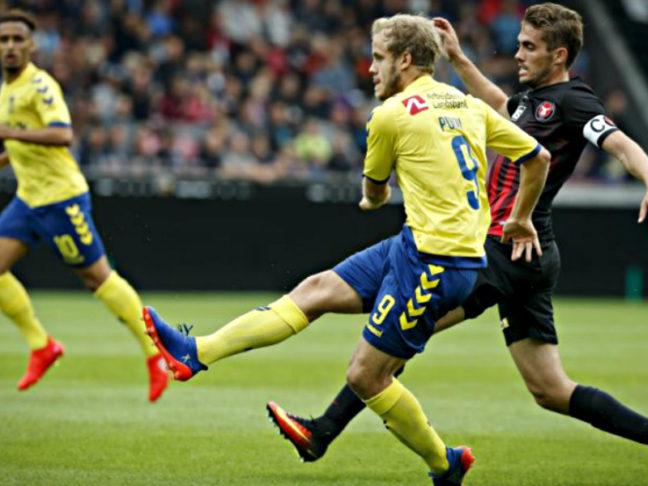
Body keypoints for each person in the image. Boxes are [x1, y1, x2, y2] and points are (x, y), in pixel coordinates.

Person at [266, 4, 648, 486]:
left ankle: (323, 432)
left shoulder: (574, 100)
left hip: (501, 248)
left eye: (529, 47)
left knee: (396, 338)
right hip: (529, 254)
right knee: (550, 390)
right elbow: (499, 104)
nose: (518, 54)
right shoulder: (533, 101)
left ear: (559, 55)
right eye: (519, 44)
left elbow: (618, 142)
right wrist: (458, 58)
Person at [143, 13, 550, 485]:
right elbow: (537, 157)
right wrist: (520, 217)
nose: (371, 69)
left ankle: (445, 463)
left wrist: (372, 196)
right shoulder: (467, 105)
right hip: (417, 246)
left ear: (405, 60)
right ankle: (196, 352)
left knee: (366, 377)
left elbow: (374, 195)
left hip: (436, 265)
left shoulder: (391, 116)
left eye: (378, 58)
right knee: (315, 289)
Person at [0, 10, 168, 402]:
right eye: (3, 40)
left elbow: (63, 134)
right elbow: (20, 143)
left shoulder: (40, 85)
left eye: (17, 39)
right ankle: (42, 345)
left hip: (61, 199)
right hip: (28, 198)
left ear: (31, 45)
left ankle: (155, 354)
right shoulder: (6, 90)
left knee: (98, 279)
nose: (9, 46)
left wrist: (6, 133)